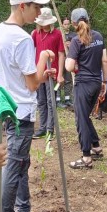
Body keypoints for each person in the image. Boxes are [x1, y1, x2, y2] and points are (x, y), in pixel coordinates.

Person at [0, 0, 55, 212]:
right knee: (14, 166)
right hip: (20, 111)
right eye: (36, 6)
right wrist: (44, 58)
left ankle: (22, 210)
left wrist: (39, 72)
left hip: (2, 107)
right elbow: (32, 83)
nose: (39, 12)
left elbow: (14, 72)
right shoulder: (22, 39)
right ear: (23, 6)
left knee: (21, 162)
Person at [65, 8, 107, 168]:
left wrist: (71, 59)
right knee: (85, 116)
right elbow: (104, 60)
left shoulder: (76, 41)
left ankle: (86, 157)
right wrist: (104, 82)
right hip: (96, 83)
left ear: (74, 23)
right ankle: (96, 147)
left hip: (83, 84)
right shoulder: (98, 36)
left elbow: (69, 67)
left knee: (81, 118)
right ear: (88, 19)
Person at [31, 7, 65, 140]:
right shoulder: (35, 34)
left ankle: (50, 129)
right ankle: (42, 128)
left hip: (52, 73)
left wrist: (60, 74)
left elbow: (61, 54)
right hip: (40, 74)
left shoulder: (57, 34)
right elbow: (31, 51)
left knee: (51, 101)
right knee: (41, 101)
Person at [58, 18, 75, 108]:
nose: (66, 26)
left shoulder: (74, 35)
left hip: (69, 60)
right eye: (65, 24)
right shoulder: (59, 34)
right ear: (62, 25)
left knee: (68, 80)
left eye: (68, 24)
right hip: (60, 60)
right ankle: (58, 100)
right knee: (59, 79)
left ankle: (67, 99)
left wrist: (71, 44)